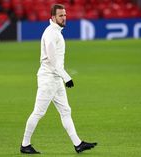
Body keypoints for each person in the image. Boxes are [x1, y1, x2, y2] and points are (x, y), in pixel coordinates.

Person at [20, 4, 97, 154]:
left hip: (55, 79)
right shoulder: (51, 34)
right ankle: (25, 144)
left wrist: (62, 77)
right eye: (61, 15)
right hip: (48, 79)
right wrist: (67, 77)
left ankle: (78, 144)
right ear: (53, 17)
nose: (64, 18)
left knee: (66, 111)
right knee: (38, 112)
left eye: (65, 15)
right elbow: (52, 60)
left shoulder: (56, 32)